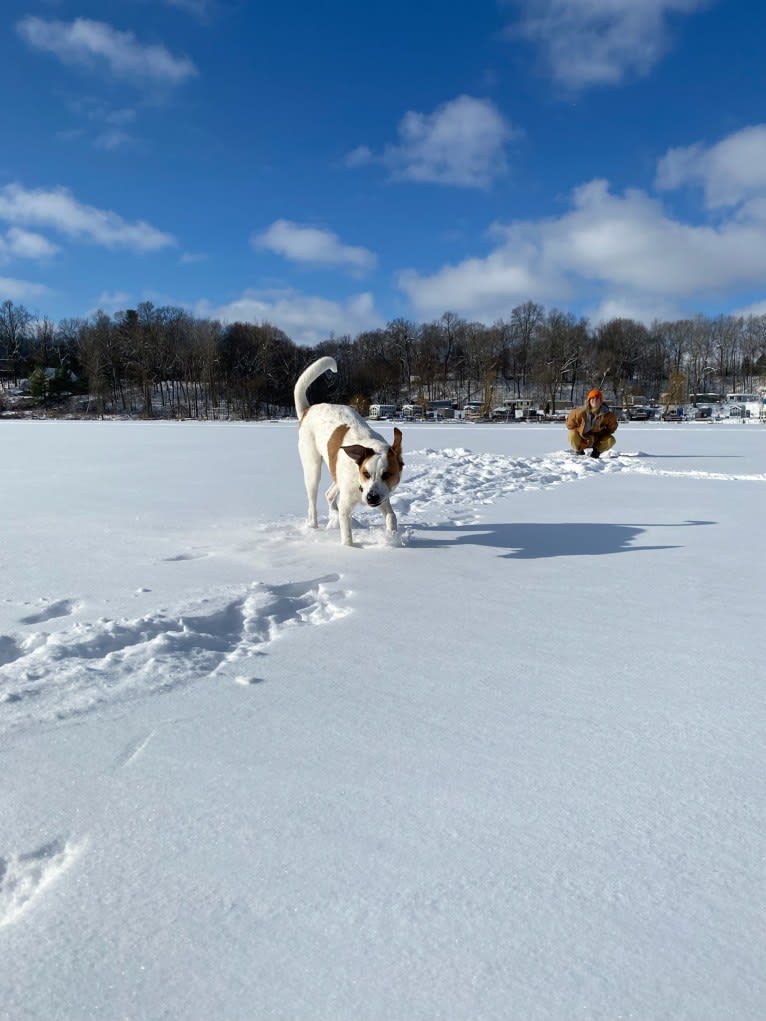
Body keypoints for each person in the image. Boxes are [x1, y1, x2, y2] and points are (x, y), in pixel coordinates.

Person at [566, 389, 618, 458]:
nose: (595, 400)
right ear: (589, 400)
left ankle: (596, 452)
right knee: (572, 434)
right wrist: (579, 430)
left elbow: (612, 428)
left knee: (611, 440)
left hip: (597, 440)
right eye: (592, 398)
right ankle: (579, 450)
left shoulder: (608, 415)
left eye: (597, 398)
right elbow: (569, 425)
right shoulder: (578, 413)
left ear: (601, 401)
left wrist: (602, 431)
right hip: (582, 439)